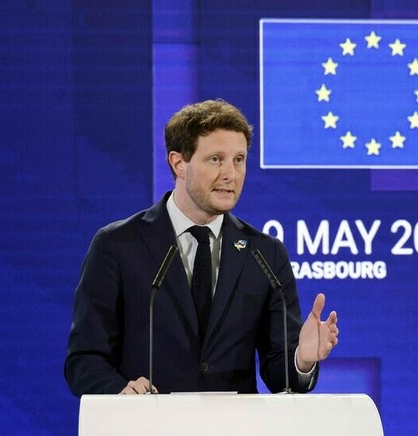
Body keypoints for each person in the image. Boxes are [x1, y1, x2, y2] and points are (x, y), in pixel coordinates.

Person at [65, 99, 339, 396]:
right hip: (148, 424)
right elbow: (85, 360)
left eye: (239, 159)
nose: (231, 174)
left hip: (233, 427)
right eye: (216, 159)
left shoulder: (265, 254)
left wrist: (302, 360)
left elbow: (279, 373)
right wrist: (121, 392)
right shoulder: (118, 245)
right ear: (179, 163)